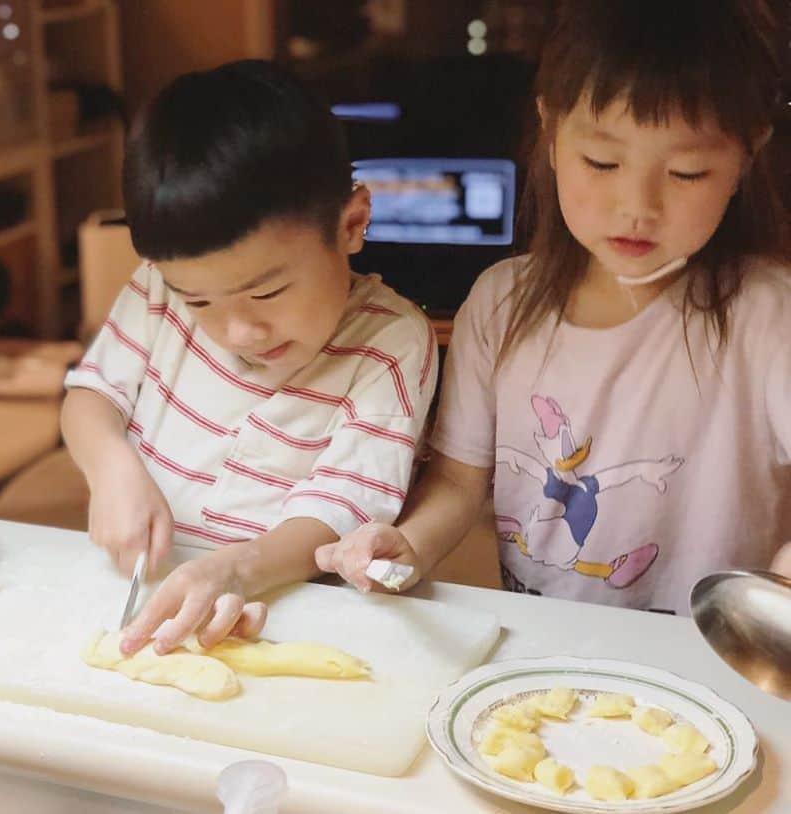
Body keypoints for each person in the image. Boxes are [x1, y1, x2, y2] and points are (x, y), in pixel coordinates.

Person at [316, 0, 791, 615]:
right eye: (603, 161)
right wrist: (407, 545)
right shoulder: (501, 303)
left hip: (707, 666)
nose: (636, 205)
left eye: (687, 172)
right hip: (548, 649)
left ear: (747, 155)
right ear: (551, 129)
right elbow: (461, 482)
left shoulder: (770, 317)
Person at [62, 60, 437, 652]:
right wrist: (111, 468)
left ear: (352, 223)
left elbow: (339, 510)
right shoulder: (159, 287)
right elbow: (90, 398)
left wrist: (235, 569)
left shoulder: (393, 342)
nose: (238, 330)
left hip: (285, 610)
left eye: (266, 292)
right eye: (201, 300)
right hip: (146, 593)